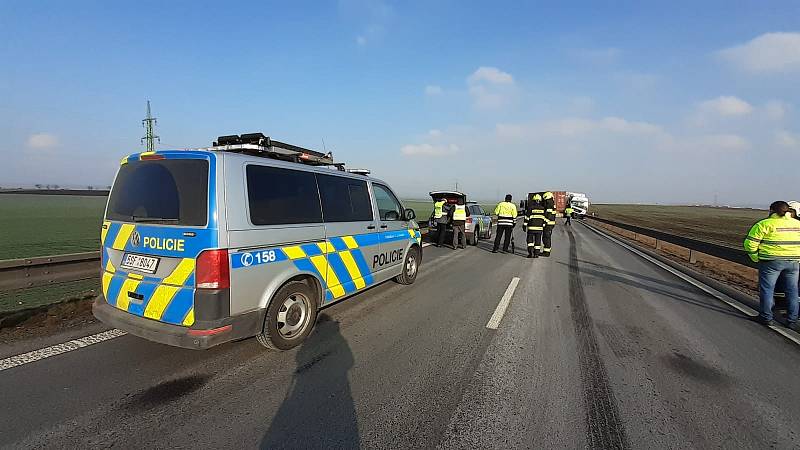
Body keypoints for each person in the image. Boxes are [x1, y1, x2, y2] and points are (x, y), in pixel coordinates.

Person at [744, 201, 800, 330]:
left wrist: (755, 257)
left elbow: (750, 243)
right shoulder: (798, 224)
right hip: (794, 262)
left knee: (767, 289)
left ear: (771, 210)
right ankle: (792, 320)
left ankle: (766, 317)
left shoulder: (764, 224)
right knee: (792, 290)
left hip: (771, 261)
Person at [524, 194, 546, 258]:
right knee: (538, 241)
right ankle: (536, 254)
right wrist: (543, 226)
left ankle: (531, 252)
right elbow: (544, 218)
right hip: (539, 228)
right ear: (540, 201)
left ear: (533, 200)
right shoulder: (543, 208)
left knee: (530, 241)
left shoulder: (530, 208)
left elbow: (527, 217)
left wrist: (524, 225)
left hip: (531, 228)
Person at [541, 192, 556, 257]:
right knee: (547, 238)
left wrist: (544, 222)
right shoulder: (551, 203)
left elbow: (548, 215)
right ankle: (546, 251)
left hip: (548, 224)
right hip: (550, 223)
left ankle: (546, 252)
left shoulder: (549, 204)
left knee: (546, 238)